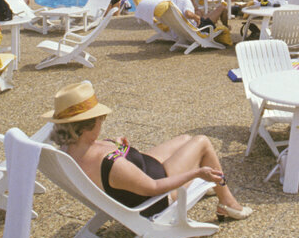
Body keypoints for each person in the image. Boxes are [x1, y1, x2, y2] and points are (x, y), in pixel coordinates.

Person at [48, 80, 252, 221]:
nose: (102, 122)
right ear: (87, 125)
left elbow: (96, 152)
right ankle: (228, 203)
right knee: (202, 142)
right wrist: (198, 173)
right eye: (100, 119)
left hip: (140, 171)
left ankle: (213, 187)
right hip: (156, 197)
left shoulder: (69, 147)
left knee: (185, 139)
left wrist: (113, 143)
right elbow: (154, 187)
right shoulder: (109, 162)